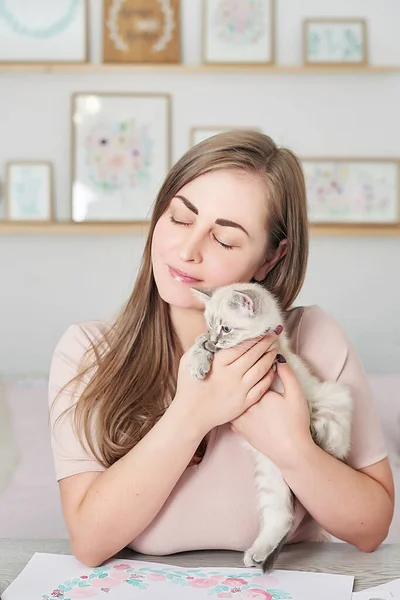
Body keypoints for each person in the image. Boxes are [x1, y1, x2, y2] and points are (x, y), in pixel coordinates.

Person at [48, 131, 394, 568]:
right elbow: (90, 542)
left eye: (224, 239)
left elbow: (371, 529)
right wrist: (194, 412)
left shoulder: (314, 338)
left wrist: (292, 447)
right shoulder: (86, 352)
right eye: (179, 218)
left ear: (270, 258)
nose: (188, 251)